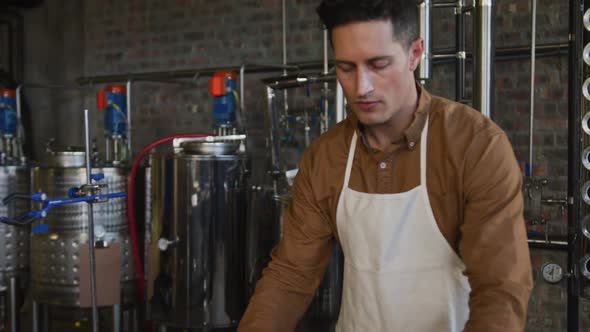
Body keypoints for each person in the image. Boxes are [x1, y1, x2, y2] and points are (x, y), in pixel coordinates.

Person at [238, 0, 533, 331]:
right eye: (347, 68)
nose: (361, 87)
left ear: (415, 54)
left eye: (378, 65)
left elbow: (500, 288)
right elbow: (291, 275)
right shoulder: (326, 156)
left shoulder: (475, 145)